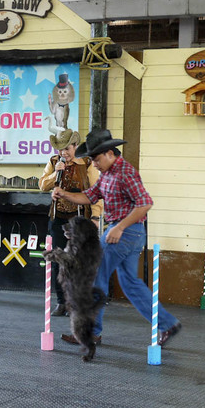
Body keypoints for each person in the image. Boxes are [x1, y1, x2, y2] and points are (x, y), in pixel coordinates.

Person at [51, 128, 181, 346]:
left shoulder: (125, 173)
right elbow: (89, 196)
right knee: (131, 285)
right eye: (91, 159)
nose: (94, 163)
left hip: (123, 234)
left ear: (110, 153)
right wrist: (64, 194)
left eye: (96, 158)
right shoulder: (107, 174)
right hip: (128, 234)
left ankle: (90, 332)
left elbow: (145, 203)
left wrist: (119, 227)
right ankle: (167, 324)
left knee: (94, 278)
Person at [39, 129, 102, 316]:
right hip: (58, 218)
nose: (64, 153)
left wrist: (96, 217)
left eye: (67, 148)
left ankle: (78, 303)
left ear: (75, 146)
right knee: (59, 261)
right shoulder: (53, 162)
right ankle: (62, 302)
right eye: (60, 149)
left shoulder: (87, 163)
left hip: (80, 219)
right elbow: (42, 185)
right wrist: (54, 174)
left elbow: (96, 193)